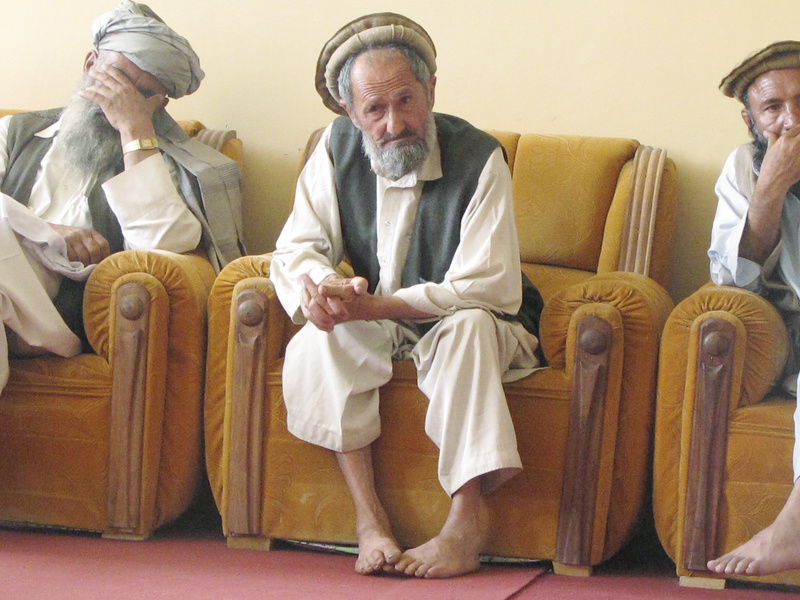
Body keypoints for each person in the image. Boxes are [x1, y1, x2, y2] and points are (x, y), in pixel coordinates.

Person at [269, 13, 543, 579]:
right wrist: (325, 291)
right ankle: (369, 520)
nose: (395, 123)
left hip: (477, 320)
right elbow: (296, 245)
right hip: (382, 316)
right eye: (375, 109)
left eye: (406, 101)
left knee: (466, 329)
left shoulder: (480, 157)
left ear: (431, 92)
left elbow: (485, 287)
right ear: (351, 113)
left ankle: (467, 523)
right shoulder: (334, 148)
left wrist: (380, 306)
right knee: (324, 335)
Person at [0, 1, 244, 393]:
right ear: (90, 63)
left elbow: (165, 245)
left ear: (161, 104)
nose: (118, 99)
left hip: (58, 311)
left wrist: (134, 130)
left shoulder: (165, 161)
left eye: (142, 93)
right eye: (115, 78)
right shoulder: (16, 132)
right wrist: (44, 230)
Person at [707, 40, 800, 576]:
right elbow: (730, 280)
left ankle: (792, 528)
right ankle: (792, 529)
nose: (792, 121)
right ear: (749, 118)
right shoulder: (744, 166)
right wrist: (771, 189)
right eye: (773, 108)